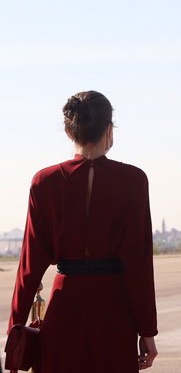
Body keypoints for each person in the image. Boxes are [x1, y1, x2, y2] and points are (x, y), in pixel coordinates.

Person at [8, 91, 158, 372]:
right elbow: (139, 265)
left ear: (68, 130)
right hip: (115, 313)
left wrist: (15, 327)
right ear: (109, 129)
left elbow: (29, 265)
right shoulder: (133, 181)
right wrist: (147, 330)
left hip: (65, 308)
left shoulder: (44, 182)